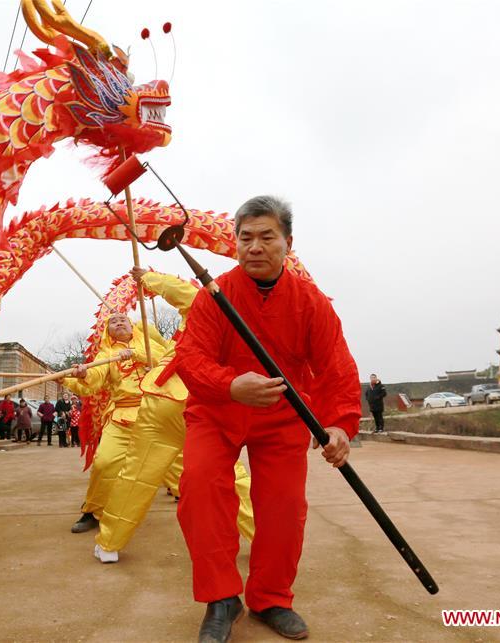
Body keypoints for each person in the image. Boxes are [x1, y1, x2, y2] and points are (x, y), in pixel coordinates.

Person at [174, 196, 361, 642]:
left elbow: (336, 367)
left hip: (282, 418)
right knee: (200, 487)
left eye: (266, 237)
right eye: (245, 238)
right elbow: (189, 357)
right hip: (216, 412)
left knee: (284, 509)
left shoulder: (311, 303)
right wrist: (229, 385)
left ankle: (271, 597)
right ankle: (221, 598)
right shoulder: (213, 295)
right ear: (235, 243)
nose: (254, 247)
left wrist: (339, 424)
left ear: (287, 243)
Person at [93, 268, 255, 564]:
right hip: (203, 403)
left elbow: (182, 291)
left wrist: (146, 278)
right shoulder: (247, 329)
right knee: (232, 476)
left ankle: (108, 543)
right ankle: (260, 536)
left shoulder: (201, 309)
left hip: (166, 399)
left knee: (137, 475)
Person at [62, 313, 164, 534]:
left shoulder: (148, 342)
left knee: (189, 463)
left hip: (159, 413)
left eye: (123, 319)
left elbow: (168, 359)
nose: (118, 322)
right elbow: (92, 381)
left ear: (132, 325)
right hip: (123, 414)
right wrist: (79, 375)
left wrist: (138, 355)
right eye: (113, 322)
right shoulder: (106, 353)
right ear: (108, 331)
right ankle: (93, 511)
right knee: (104, 463)